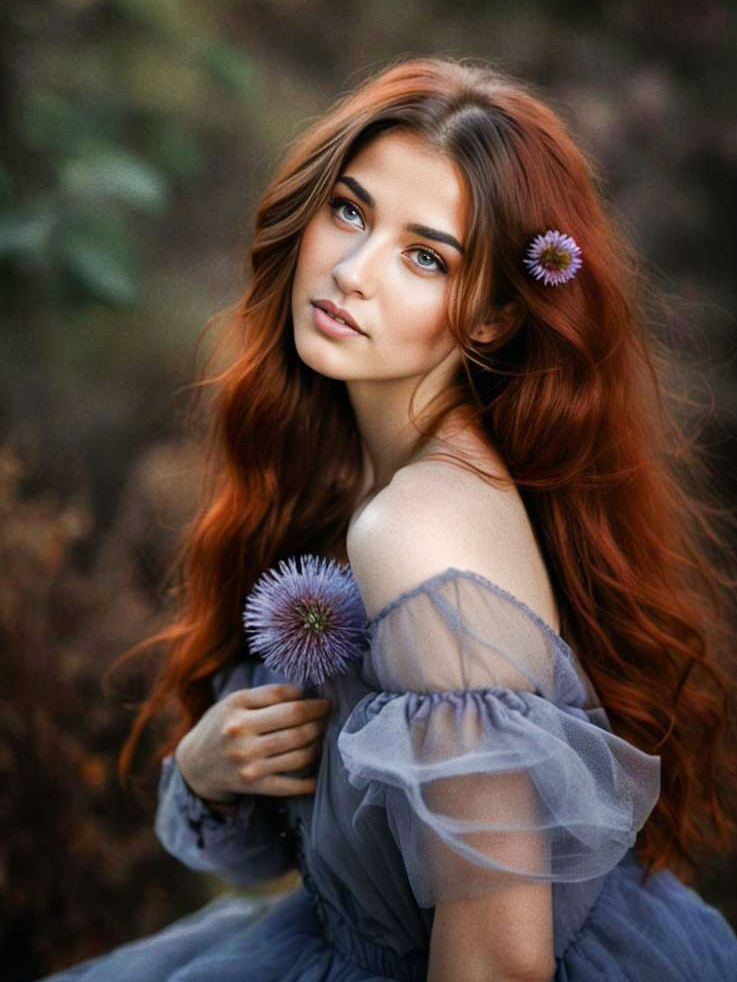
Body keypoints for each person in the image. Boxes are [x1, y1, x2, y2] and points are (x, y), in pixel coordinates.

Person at [37, 55, 737, 981]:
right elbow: (318, 851)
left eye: (425, 256)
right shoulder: (353, 476)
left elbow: (497, 961)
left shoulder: (418, 532)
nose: (352, 272)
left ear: (488, 319)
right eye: (351, 211)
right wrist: (209, 768)